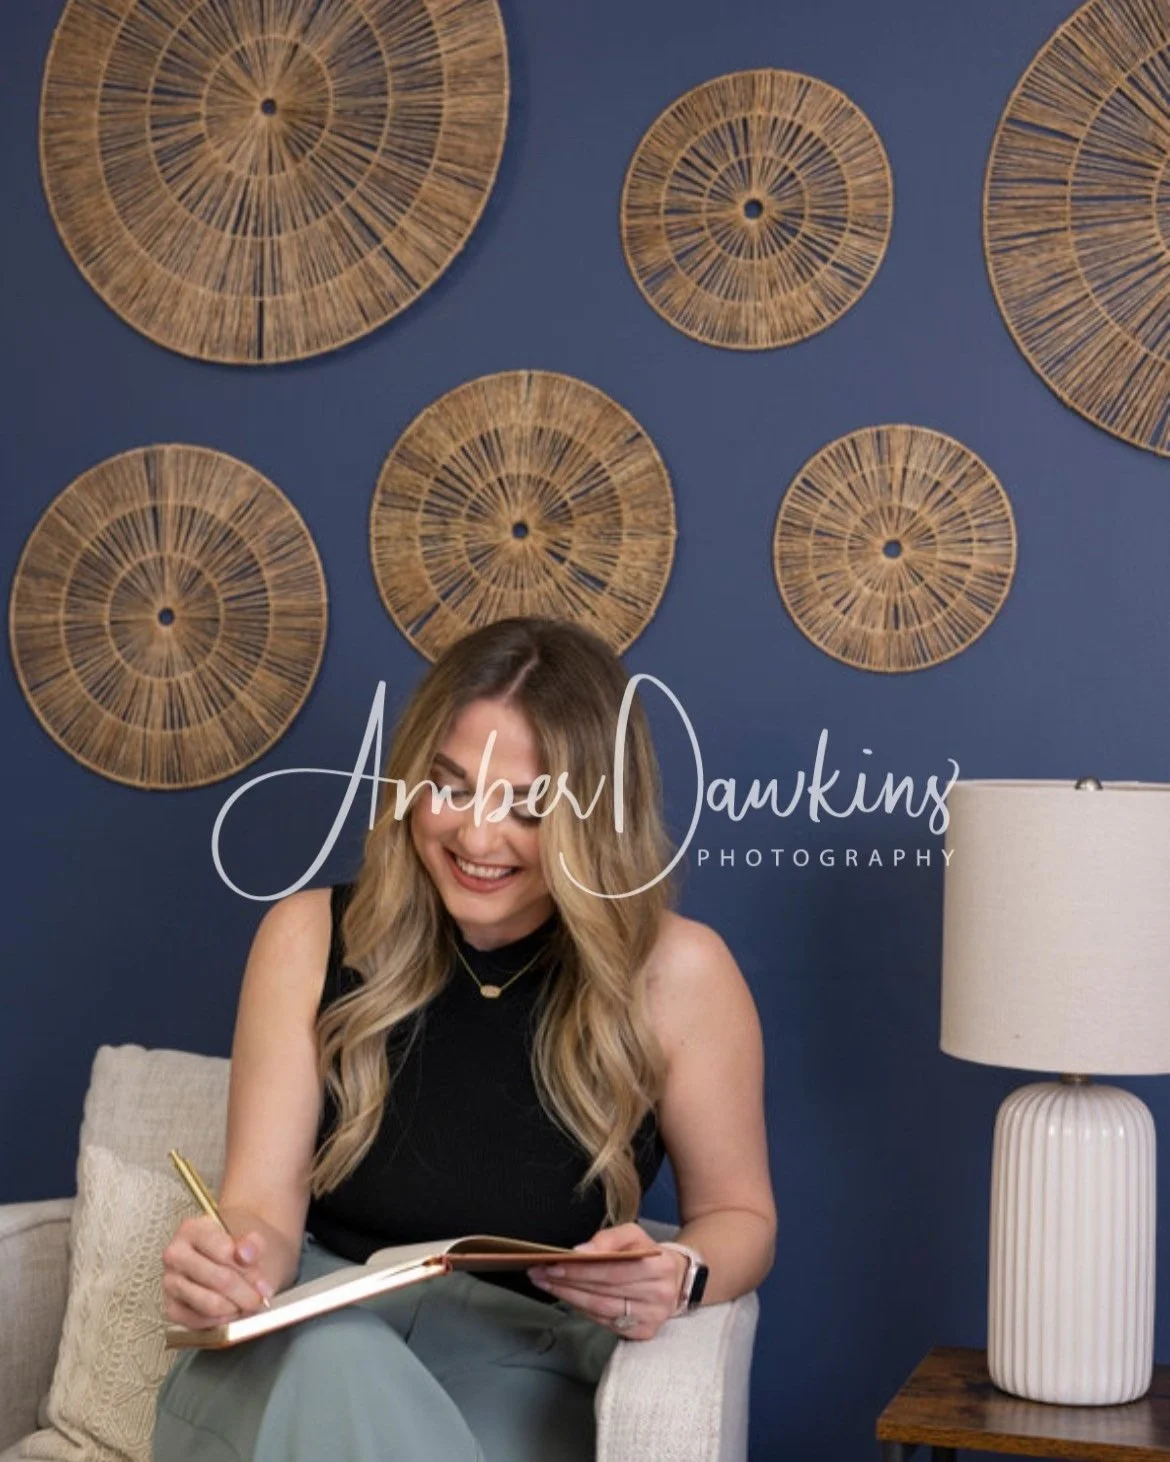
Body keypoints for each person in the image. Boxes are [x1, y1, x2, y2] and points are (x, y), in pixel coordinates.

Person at [153, 616, 776, 1462]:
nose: (477, 838)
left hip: (517, 1373)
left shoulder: (681, 974)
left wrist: (682, 1272)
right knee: (341, 1355)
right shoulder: (305, 938)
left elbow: (740, 1216)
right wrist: (232, 1265)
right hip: (301, 1349)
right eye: (449, 786)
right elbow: (261, 1206)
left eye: (527, 807)